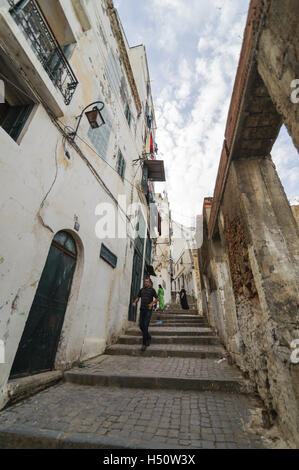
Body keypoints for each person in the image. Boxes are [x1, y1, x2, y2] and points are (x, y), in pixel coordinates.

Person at [132, 278, 158, 351]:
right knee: (141, 325)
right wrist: (134, 302)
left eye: (147, 282)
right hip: (142, 309)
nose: (145, 283)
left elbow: (157, 298)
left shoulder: (152, 290)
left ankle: (144, 344)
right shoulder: (142, 290)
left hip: (148, 310)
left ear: (149, 283)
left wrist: (151, 304)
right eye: (145, 282)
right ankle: (148, 336)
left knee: (146, 325)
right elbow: (138, 297)